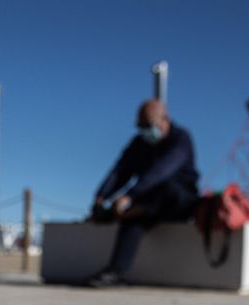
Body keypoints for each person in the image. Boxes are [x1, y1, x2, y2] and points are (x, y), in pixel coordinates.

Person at [86, 99, 200, 287]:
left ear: (165, 120)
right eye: (140, 126)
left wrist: (130, 196)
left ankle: (119, 214)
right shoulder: (139, 143)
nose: (144, 131)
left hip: (179, 202)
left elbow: (160, 173)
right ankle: (116, 272)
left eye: (148, 125)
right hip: (146, 206)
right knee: (134, 218)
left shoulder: (180, 138)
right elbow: (121, 170)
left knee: (164, 190)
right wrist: (101, 196)